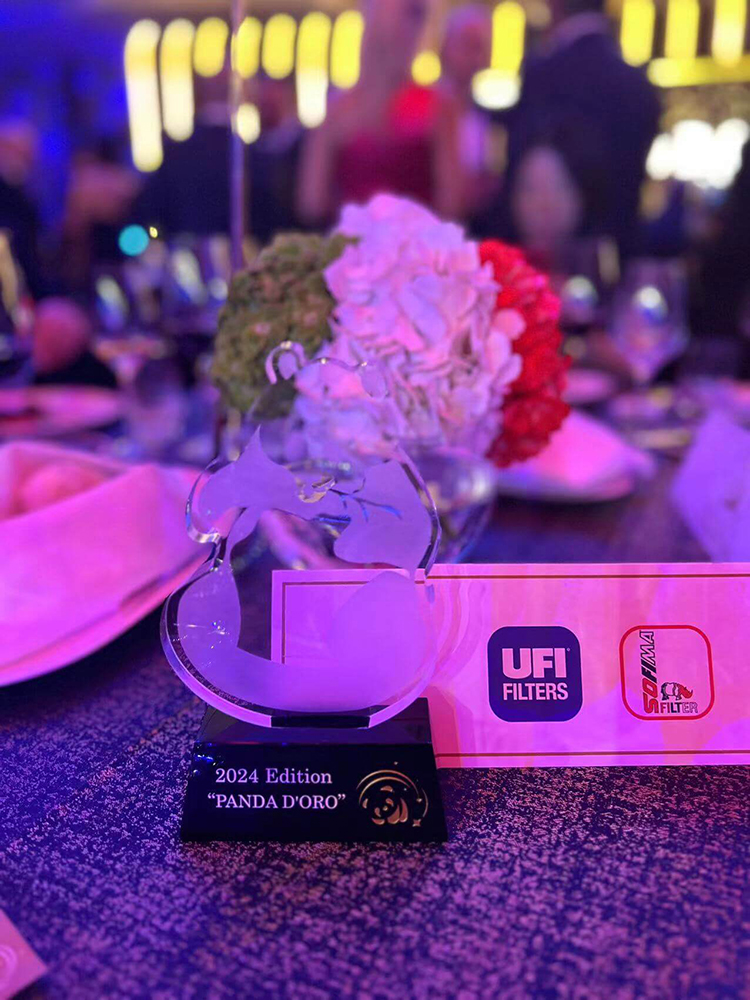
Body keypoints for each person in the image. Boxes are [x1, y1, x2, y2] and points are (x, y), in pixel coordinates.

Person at [503, 0, 660, 258]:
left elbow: (518, 168)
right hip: (620, 252)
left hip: (551, 260)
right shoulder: (637, 83)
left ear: (555, 5)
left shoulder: (544, 73)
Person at [297, 0, 463, 228]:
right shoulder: (337, 109)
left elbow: (452, 204)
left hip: (414, 245)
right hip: (356, 246)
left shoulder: (440, 106)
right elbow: (311, 202)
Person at [439, 4, 500, 220]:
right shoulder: (424, 111)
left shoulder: (487, 118)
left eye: (480, 47)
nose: (473, 57)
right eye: (466, 44)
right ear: (445, 46)